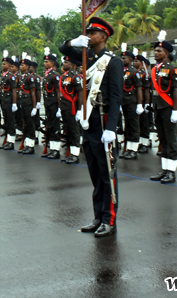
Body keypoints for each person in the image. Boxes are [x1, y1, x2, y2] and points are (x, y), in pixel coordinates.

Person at [58, 16, 123, 237]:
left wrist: (112, 128)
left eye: (92, 33)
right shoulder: (85, 57)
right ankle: (98, 216)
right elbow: (61, 48)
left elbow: (115, 97)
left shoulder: (113, 62)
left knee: (107, 174)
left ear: (103, 36)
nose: (88, 35)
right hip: (89, 123)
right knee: (95, 174)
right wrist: (71, 43)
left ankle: (109, 219)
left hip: (104, 123)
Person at [149, 35, 177, 184]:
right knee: (162, 139)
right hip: (157, 107)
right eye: (155, 51)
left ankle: (172, 171)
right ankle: (164, 169)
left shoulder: (172, 69)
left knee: (171, 139)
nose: (155, 53)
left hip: (168, 107)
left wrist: (175, 110)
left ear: (166, 54)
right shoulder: (154, 69)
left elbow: (176, 91)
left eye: (159, 51)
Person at [57, 56, 84, 164]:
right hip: (64, 107)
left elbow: (80, 93)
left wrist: (79, 109)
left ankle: (75, 154)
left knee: (74, 130)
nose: (64, 63)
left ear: (73, 65)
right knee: (67, 130)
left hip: (72, 107)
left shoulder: (76, 76)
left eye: (66, 62)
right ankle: (70, 152)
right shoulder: (63, 76)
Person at [119, 48, 144, 160]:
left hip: (132, 101)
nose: (122, 59)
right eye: (121, 57)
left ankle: (134, 149)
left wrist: (139, 104)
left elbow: (139, 88)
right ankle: (128, 148)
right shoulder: (121, 71)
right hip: (124, 101)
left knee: (134, 125)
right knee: (127, 125)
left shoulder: (134, 72)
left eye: (124, 58)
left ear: (130, 59)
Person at [42, 50, 62, 159]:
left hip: (54, 104)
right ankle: (52, 148)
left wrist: (59, 107)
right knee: (49, 125)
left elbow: (58, 92)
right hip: (48, 103)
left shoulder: (55, 75)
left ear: (52, 63)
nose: (45, 63)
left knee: (55, 126)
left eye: (47, 62)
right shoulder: (46, 75)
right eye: (44, 62)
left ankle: (56, 149)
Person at [0, 55, 19, 150]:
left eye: (5, 64)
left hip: (10, 101)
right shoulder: (4, 76)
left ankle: (11, 141)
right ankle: (7, 140)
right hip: (4, 101)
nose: (3, 65)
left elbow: (14, 91)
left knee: (11, 122)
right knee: (6, 121)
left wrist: (14, 103)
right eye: (2, 63)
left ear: (10, 66)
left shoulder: (11, 77)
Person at [18, 59, 38, 154]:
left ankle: (31, 145)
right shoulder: (21, 77)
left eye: (23, 65)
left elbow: (33, 93)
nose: (21, 66)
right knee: (25, 124)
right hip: (23, 103)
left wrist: (34, 107)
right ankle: (27, 144)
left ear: (27, 67)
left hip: (29, 103)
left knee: (30, 125)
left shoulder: (30, 78)